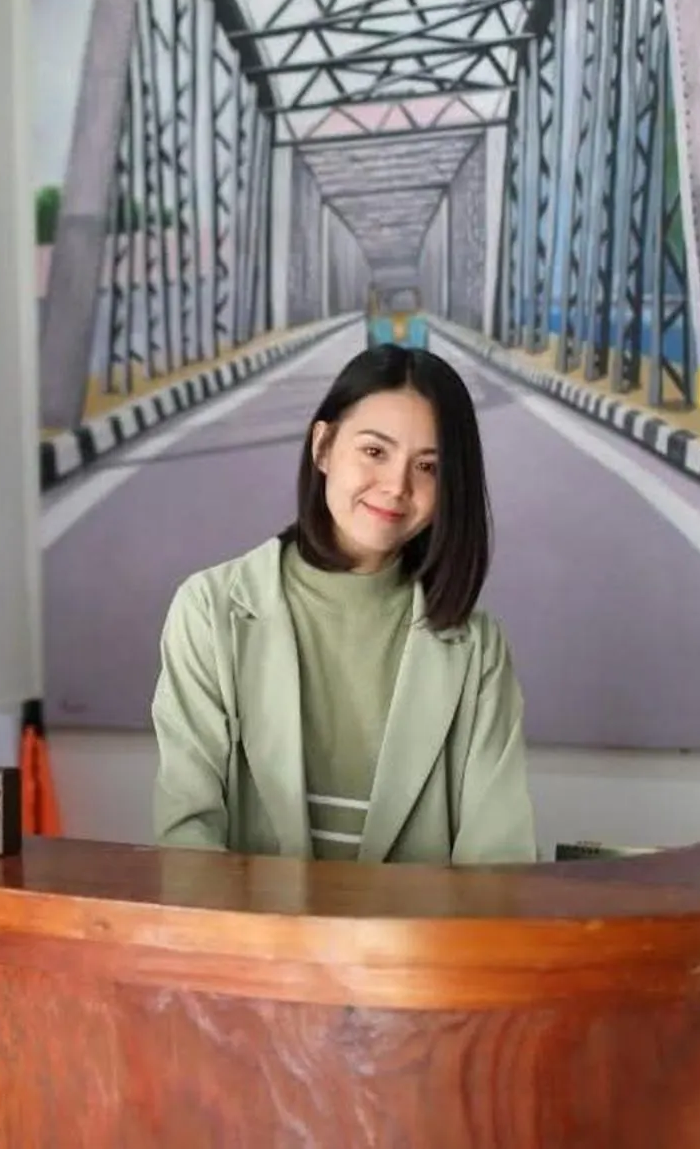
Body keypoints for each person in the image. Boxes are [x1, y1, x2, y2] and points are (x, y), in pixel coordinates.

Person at [149, 343, 537, 865]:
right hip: (248, 944)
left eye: (428, 467)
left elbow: (497, 864)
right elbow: (186, 839)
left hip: (420, 945)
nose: (397, 487)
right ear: (324, 446)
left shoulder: (478, 649)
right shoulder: (210, 610)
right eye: (375, 452)